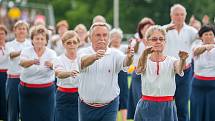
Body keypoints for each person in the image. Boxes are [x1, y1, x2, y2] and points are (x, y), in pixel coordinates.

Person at [77, 22, 134, 121]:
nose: (102, 38)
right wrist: (95, 56)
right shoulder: (82, 52)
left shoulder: (116, 54)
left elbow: (126, 63)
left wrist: (129, 57)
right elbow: (82, 62)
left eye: (105, 35)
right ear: (90, 37)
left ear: (109, 38)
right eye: (98, 35)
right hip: (86, 106)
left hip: (109, 106)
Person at [134, 25, 188, 121]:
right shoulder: (144, 59)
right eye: (154, 39)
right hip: (147, 106)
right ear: (147, 41)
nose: (158, 41)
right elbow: (139, 69)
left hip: (167, 106)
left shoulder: (171, 60)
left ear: (165, 42)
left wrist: (182, 59)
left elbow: (179, 69)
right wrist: (144, 54)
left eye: (161, 39)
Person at [163, 4, 198, 121]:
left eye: (182, 14)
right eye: (176, 14)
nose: (179, 17)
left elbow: (205, 38)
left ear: (185, 15)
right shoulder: (163, 30)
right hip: (168, 71)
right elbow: (149, 36)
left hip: (185, 72)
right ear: (171, 15)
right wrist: (164, 30)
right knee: (166, 105)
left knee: (182, 106)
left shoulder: (192, 31)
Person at [19, 25, 57, 121]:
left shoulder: (51, 53)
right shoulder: (26, 51)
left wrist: (52, 65)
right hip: (27, 92)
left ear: (46, 41)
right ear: (32, 40)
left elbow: (57, 66)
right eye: (37, 38)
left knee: (46, 118)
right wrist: (32, 61)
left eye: (42, 39)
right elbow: (22, 63)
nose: (39, 41)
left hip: (46, 93)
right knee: (27, 117)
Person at [127, 17, 155, 119]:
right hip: (138, 74)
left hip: (152, 74)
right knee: (139, 101)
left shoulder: (155, 39)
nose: (146, 29)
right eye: (144, 27)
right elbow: (134, 49)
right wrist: (138, 42)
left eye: (149, 27)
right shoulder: (135, 39)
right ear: (140, 29)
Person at [6, 20, 31, 121]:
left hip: (28, 80)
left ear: (27, 31)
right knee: (13, 108)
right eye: (19, 29)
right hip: (14, 80)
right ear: (15, 31)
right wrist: (25, 52)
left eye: (24, 29)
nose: (21, 31)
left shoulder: (31, 43)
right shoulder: (9, 44)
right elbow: (12, 55)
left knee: (27, 108)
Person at [190, 24, 215, 121]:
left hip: (213, 86)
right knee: (197, 111)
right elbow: (195, 52)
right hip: (198, 85)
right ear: (201, 37)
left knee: (212, 112)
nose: (209, 36)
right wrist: (206, 47)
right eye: (206, 34)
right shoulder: (196, 45)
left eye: (211, 34)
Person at [54, 30, 80, 121]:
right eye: (68, 43)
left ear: (78, 43)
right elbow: (59, 74)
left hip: (80, 95)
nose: (72, 45)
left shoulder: (83, 59)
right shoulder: (58, 59)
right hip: (63, 96)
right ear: (63, 44)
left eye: (74, 42)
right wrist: (70, 73)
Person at [109, 28, 128, 121]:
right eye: (114, 37)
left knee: (124, 97)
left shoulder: (124, 48)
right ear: (110, 38)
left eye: (118, 37)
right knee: (112, 97)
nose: (116, 39)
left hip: (122, 74)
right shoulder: (108, 49)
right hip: (111, 74)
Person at [0, 24, 9, 121]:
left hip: (6, 74)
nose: (0, 36)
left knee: (5, 96)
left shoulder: (9, 47)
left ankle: (6, 117)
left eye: (2, 33)